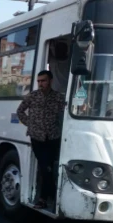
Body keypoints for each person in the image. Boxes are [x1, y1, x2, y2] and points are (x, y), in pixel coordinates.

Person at [16, 70, 66, 209]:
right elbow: (20, 111)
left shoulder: (58, 97)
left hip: (52, 137)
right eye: (38, 81)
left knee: (48, 168)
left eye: (43, 81)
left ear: (50, 81)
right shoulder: (32, 96)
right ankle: (48, 196)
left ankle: (45, 197)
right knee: (45, 167)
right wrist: (30, 123)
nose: (40, 84)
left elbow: (65, 113)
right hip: (36, 137)